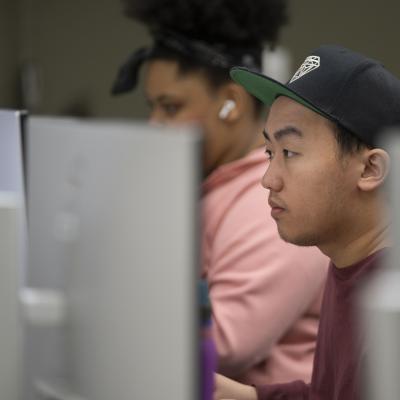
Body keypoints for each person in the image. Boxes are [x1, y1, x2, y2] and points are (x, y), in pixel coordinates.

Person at [112, 0, 328, 385]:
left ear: (231, 102)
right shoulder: (212, 185)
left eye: (171, 107)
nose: (154, 124)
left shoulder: (270, 202)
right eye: (153, 107)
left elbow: (227, 346)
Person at [214, 44, 400, 400]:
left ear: (370, 169)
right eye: (270, 152)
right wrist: (242, 396)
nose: (268, 179)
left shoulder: (390, 304)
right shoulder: (348, 261)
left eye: (290, 153)